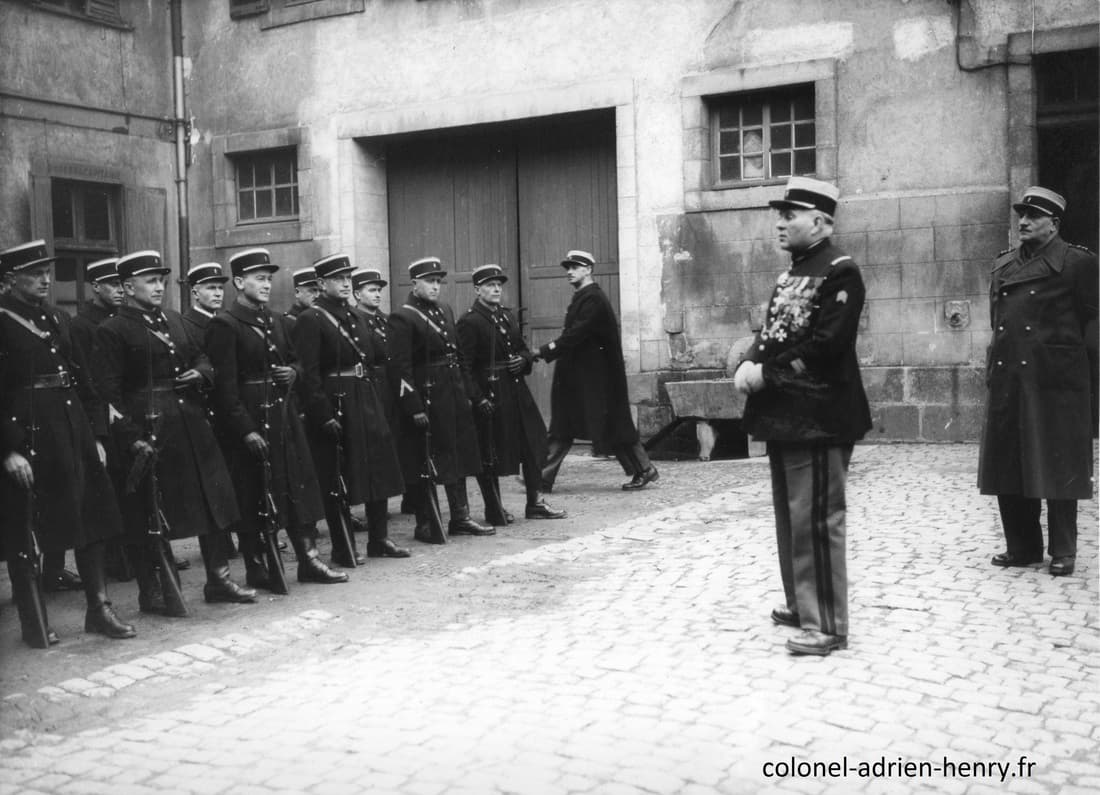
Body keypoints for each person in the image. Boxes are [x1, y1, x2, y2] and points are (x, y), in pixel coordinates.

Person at [732, 176, 870, 657]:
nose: (779, 223)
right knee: (791, 517)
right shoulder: (794, 271)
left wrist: (764, 374)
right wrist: (750, 358)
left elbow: (827, 347)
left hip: (821, 415)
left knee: (816, 519)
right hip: (787, 415)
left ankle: (827, 624)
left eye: (789, 215)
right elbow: (774, 332)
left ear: (821, 220)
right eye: (779, 214)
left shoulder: (840, 271)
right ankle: (800, 602)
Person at [94, 250, 254, 613]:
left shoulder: (175, 320)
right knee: (151, 513)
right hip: (150, 429)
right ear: (126, 286)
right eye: (150, 281)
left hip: (192, 424)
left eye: (162, 280)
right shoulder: (112, 331)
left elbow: (203, 358)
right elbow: (108, 394)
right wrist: (131, 437)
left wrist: (201, 373)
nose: (159, 287)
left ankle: (220, 579)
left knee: (212, 501)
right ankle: (154, 591)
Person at [0, 240, 135, 646]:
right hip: (31, 434)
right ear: (9, 279)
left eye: (47, 271)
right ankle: (34, 622)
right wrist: (8, 449)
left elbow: (85, 381)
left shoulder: (59, 318)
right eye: (35, 273)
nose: (45, 279)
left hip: (73, 429)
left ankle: (100, 609)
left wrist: (95, 434)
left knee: (91, 518)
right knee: (29, 528)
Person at [205, 248, 349, 590]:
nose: (267, 285)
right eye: (259, 279)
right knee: (254, 492)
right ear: (239, 282)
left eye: (269, 279)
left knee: (296, 486)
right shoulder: (225, 325)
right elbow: (224, 390)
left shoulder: (277, 321)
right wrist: (245, 431)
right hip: (251, 419)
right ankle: (257, 565)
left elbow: (299, 361)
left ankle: (309, 559)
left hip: (282, 416)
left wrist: (293, 372)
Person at [979, 187, 1098, 578]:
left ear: (1055, 224)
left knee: (1058, 462)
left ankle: (1063, 550)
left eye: (1034, 216)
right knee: (1009, 461)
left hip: (1056, 381)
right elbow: (998, 324)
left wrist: (1084, 376)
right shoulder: (1003, 266)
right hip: (1010, 377)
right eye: (1022, 216)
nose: (1024, 222)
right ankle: (1023, 547)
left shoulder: (1078, 264)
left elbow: (1093, 325)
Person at [292, 253, 409, 564]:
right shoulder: (311, 319)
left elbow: (370, 361)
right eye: (337, 279)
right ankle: (344, 548)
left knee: (378, 467)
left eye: (348, 278)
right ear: (320, 284)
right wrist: (322, 414)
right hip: (336, 401)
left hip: (365, 397)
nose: (345, 283)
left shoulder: (356, 316)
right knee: (338, 475)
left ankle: (379, 539)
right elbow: (308, 374)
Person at [389, 257, 495, 540]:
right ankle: (425, 522)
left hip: (453, 394)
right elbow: (400, 367)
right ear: (415, 284)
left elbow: (459, 355)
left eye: (438, 282)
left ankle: (460, 516)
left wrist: (467, 393)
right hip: (428, 398)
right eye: (430, 282)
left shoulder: (445, 310)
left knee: (458, 454)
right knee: (426, 461)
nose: (436, 287)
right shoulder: (403, 316)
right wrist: (413, 406)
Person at [537, 250, 658, 492]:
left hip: (598, 379)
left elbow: (576, 333)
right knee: (567, 424)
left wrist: (546, 350)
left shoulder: (593, 299)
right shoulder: (585, 296)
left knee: (612, 425)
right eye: (568, 267)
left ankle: (644, 469)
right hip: (585, 377)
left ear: (588, 269)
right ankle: (542, 476)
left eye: (575, 267)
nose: (569, 271)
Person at [42, 256, 125, 593]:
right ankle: (54, 568)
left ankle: (120, 557)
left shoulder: (117, 319)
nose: (120, 290)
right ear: (95, 287)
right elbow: (88, 373)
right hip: (80, 411)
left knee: (113, 488)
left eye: (123, 285)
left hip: (107, 409)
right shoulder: (80, 324)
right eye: (113, 285)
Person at [457, 264, 564, 523]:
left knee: (535, 442)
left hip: (516, 390)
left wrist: (524, 360)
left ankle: (535, 503)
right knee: (491, 452)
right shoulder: (470, 321)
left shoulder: (507, 317)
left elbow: (523, 349)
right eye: (489, 285)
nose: (496, 289)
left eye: (499, 285)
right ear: (477, 289)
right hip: (491, 394)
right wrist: (478, 398)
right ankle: (494, 509)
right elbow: (464, 367)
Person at [181, 261, 228, 349]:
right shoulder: (185, 326)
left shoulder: (226, 321)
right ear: (195, 294)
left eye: (221, 288)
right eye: (211, 288)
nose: (218, 294)